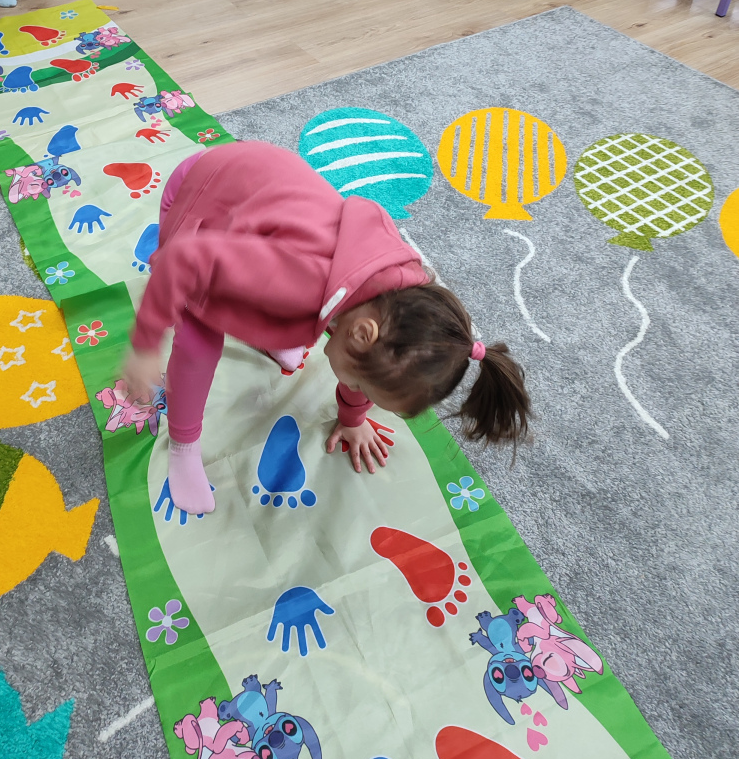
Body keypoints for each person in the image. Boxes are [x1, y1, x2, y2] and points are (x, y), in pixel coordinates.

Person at [119, 141, 530, 515]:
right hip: (201, 192)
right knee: (199, 334)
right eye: (360, 387)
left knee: (300, 313)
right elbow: (183, 259)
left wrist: (353, 418)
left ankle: (277, 330)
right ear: (362, 334)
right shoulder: (301, 282)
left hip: (257, 199)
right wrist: (145, 343)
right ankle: (184, 445)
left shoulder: (391, 301)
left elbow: (374, 357)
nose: (355, 389)